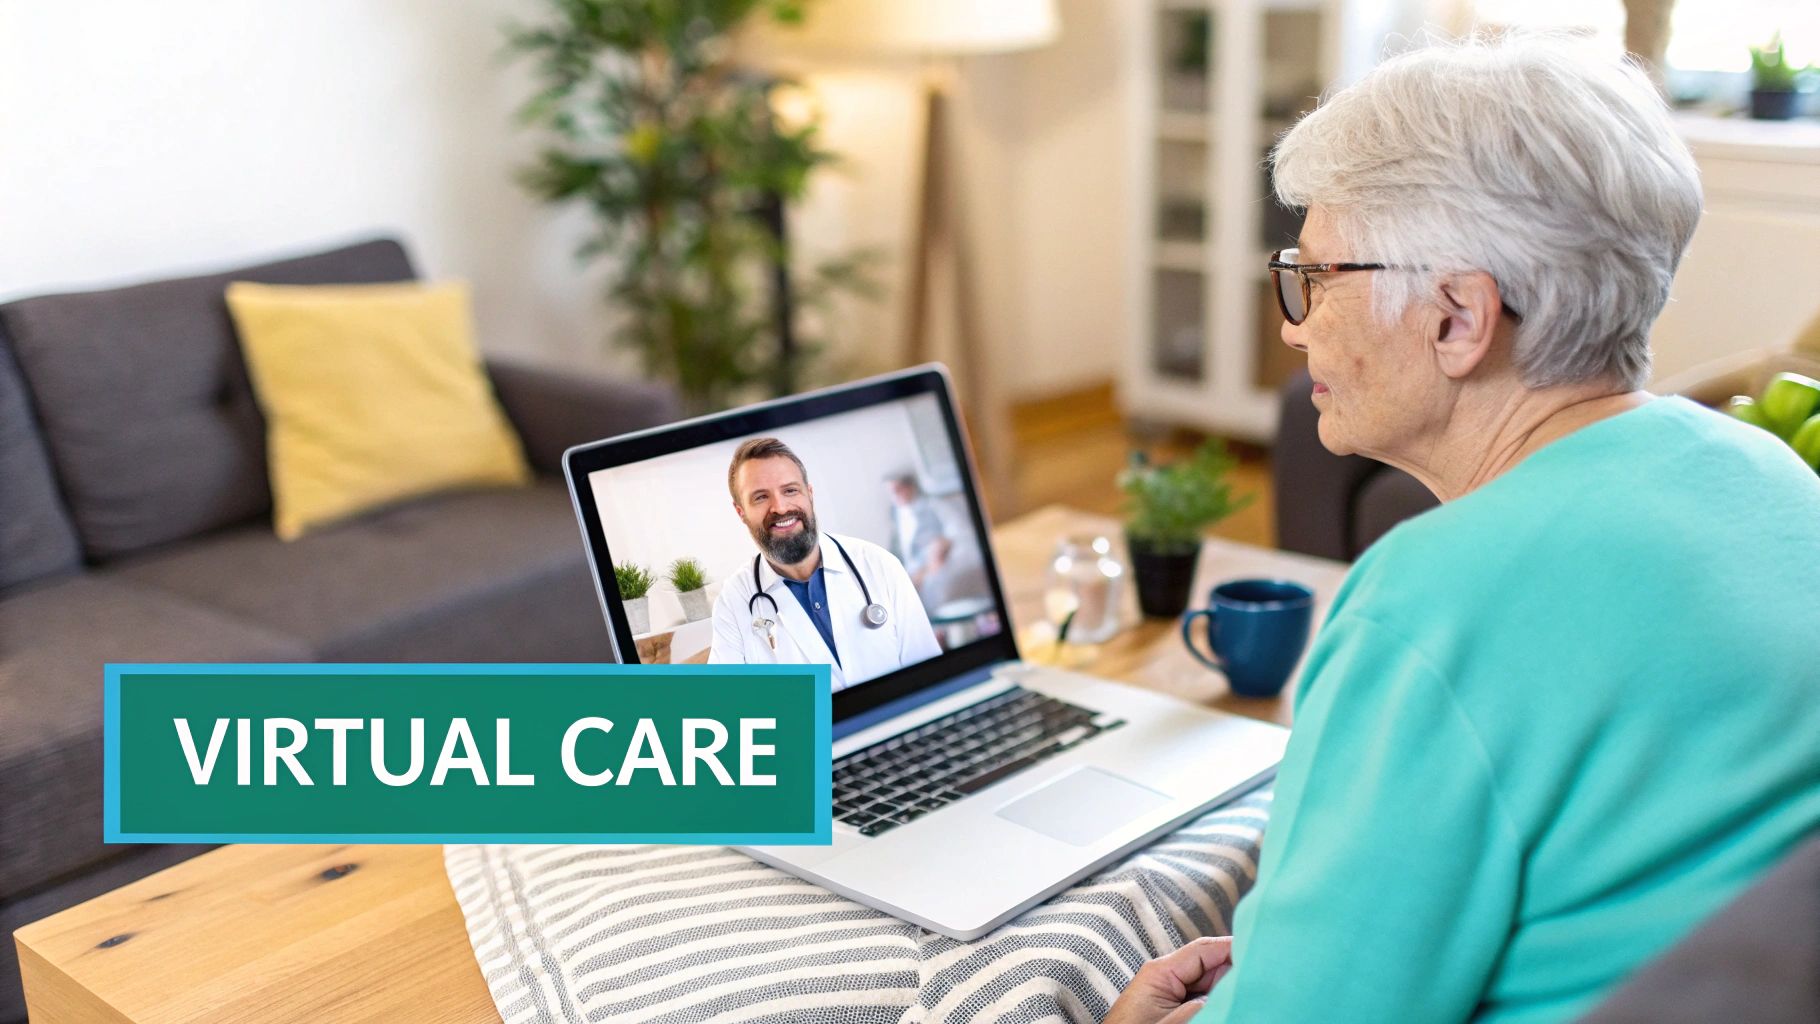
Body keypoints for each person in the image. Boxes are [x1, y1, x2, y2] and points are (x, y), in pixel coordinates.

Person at [1108, 32, 1820, 1024]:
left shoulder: (1427, 604)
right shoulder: (1774, 479)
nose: (1291, 325)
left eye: (1312, 279)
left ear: (1455, 317)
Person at [709, 437, 941, 691]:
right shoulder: (733, 603)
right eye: (761, 497)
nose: (780, 507)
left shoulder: (880, 565)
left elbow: (931, 677)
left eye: (790, 490)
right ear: (741, 512)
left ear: (809, 493)